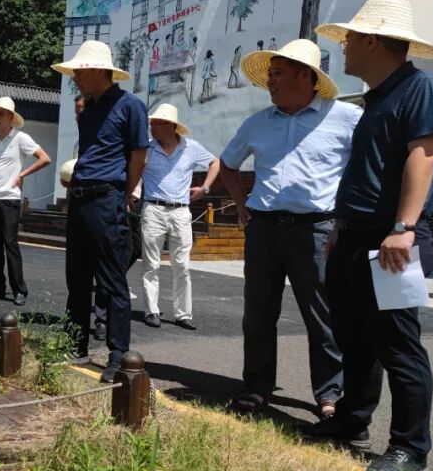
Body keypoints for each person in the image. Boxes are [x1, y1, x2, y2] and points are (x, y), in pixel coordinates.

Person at [310, 0, 433, 471]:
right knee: (354, 340)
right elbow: (364, 172)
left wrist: (403, 228)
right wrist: (339, 228)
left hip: (392, 238)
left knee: (397, 346)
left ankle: (410, 448)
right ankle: (351, 421)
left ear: (371, 41)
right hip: (354, 236)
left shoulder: (422, 87)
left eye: (349, 39)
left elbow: (424, 155)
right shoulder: (374, 100)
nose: (343, 48)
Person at [219, 39, 362, 419]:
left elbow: (363, 169)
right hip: (264, 228)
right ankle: (256, 386)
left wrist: (344, 219)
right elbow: (227, 163)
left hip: (317, 230)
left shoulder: (346, 117)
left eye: (278, 73)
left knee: (323, 316)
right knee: (258, 313)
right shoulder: (258, 122)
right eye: (269, 74)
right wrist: (241, 204)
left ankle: (330, 394)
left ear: (305, 76)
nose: (269, 81)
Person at [52, 40, 149, 383]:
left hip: (107, 197)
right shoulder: (88, 108)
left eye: (80, 71)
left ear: (98, 70)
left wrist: (124, 192)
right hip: (79, 197)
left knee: (111, 279)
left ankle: (118, 354)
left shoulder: (130, 106)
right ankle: (76, 344)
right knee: (77, 276)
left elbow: (139, 154)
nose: (75, 77)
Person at [140, 104, 219, 331]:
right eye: (152, 123)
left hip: (181, 211)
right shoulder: (147, 148)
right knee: (151, 263)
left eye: (157, 123)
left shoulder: (191, 147)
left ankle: (183, 314)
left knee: (182, 265)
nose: (152, 127)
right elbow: (134, 169)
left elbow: (215, 162)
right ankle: (151, 310)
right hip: (153, 208)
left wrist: (204, 188)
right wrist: (133, 192)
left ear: (171, 126)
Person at [0, 96, 51, 306]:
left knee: (10, 244)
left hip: (9, 198)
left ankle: (19, 290)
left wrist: (22, 174)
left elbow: (45, 158)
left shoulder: (21, 138)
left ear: (11, 117)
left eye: (0, 114)